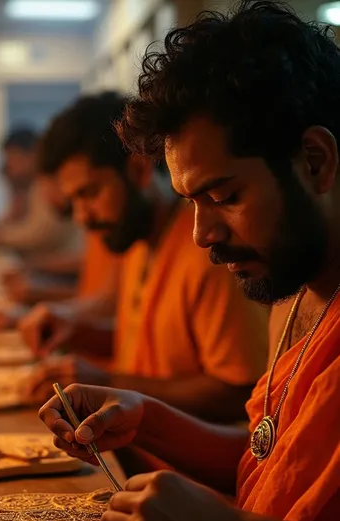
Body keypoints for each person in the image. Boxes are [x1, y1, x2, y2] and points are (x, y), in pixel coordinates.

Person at [39, 2, 340, 521]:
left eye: (223, 195)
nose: (202, 234)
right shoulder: (292, 298)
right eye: (189, 201)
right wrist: (148, 418)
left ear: (316, 161)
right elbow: (272, 460)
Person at [22, 92, 268, 422]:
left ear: (138, 170)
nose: (81, 217)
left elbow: (241, 392)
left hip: (181, 470)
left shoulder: (210, 252)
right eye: (74, 201)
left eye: (90, 193)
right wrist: (77, 331)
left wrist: (108, 383)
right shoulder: (138, 242)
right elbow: (151, 355)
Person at [0, 126, 81, 261]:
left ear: (33, 155)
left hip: (62, 268)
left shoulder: (47, 183)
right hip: (47, 266)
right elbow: (11, 220)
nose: (9, 165)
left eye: (13, 159)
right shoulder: (30, 187)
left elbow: (40, 233)